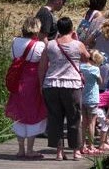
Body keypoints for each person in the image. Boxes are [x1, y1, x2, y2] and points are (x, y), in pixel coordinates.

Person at [38, 17, 90, 161]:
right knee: (74, 118)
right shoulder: (78, 44)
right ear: (72, 29)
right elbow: (87, 58)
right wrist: (76, 39)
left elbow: (42, 67)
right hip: (72, 85)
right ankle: (75, 151)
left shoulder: (49, 45)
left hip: (51, 84)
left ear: (58, 29)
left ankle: (59, 153)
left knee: (55, 119)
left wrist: (40, 84)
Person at [5, 17, 47, 159]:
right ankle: (30, 150)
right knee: (33, 114)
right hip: (33, 84)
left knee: (19, 115)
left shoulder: (15, 42)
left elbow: (13, 57)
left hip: (17, 83)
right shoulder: (39, 46)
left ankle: (20, 149)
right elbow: (44, 64)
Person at [80, 49, 104, 155]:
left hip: (82, 97)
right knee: (91, 123)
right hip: (92, 98)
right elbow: (100, 81)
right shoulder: (95, 69)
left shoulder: (80, 66)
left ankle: (82, 145)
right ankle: (91, 145)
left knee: (84, 122)